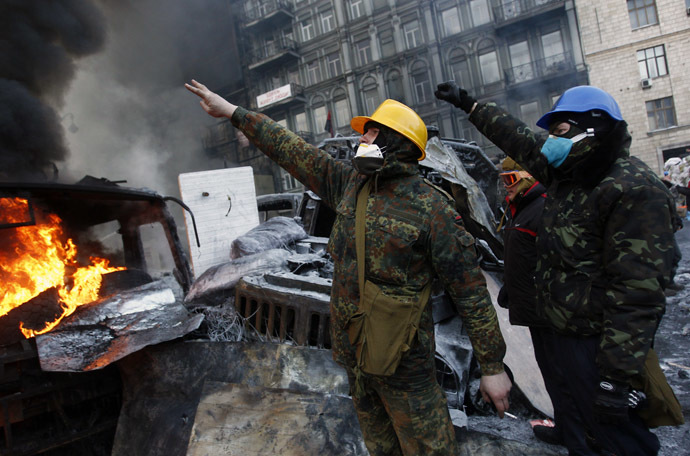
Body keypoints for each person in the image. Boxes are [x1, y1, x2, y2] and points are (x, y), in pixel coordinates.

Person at [185, 79, 512, 455]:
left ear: (398, 143)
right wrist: (232, 112)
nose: (363, 140)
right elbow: (292, 150)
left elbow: (471, 293)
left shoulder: (433, 211)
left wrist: (492, 366)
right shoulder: (351, 187)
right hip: (356, 358)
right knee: (380, 447)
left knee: (429, 449)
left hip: (404, 365)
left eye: (372, 132)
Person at [436, 82, 678, 455]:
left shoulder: (631, 189)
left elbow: (638, 294)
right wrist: (470, 105)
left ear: (593, 129)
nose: (550, 141)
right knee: (576, 412)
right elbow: (518, 139)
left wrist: (616, 377)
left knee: (616, 436)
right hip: (560, 326)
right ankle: (573, 436)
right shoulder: (571, 174)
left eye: (560, 132)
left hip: (596, 342)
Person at [495, 158, 562, 445]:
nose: (505, 188)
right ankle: (567, 426)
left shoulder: (545, 208)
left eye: (510, 180)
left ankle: (584, 435)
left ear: (527, 177)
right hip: (535, 310)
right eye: (502, 181)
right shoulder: (522, 209)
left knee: (566, 374)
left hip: (553, 313)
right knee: (552, 373)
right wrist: (511, 287)